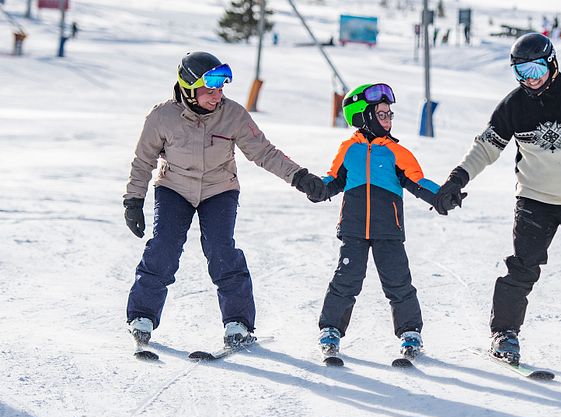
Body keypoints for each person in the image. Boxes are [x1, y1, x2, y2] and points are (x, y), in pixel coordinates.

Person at [434, 33, 561, 365]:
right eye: (521, 71)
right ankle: (504, 333)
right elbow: (485, 148)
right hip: (534, 199)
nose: (530, 78)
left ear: (551, 63)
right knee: (522, 267)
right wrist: (457, 179)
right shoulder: (513, 105)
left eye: (535, 68)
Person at [123, 51, 327, 350]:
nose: (217, 96)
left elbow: (264, 152)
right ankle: (142, 315)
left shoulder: (233, 115)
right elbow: (143, 162)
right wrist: (133, 200)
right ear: (189, 87)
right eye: (210, 90)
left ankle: (238, 322)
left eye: (220, 90)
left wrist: (300, 177)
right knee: (164, 247)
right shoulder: (161, 117)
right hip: (174, 188)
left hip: (220, 189)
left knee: (221, 251)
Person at [310, 83, 451, 360]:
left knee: (398, 282)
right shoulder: (348, 150)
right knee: (345, 281)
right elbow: (333, 179)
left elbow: (417, 181)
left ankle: (410, 332)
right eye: (382, 114)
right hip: (353, 229)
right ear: (363, 117)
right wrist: (315, 186)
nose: (387, 120)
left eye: (389, 115)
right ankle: (330, 330)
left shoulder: (397, 152)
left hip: (389, 230)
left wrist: (441, 196)